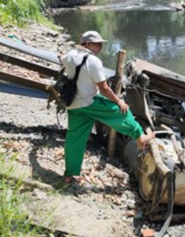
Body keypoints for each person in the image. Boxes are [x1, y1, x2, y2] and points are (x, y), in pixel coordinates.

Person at [60, 30, 154, 186]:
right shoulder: (93, 61)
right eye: (97, 44)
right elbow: (104, 88)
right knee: (122, 112)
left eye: (101, 44)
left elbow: (62, 60)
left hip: (73, 104)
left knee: (74, 139)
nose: (100, 47)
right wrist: (119, 101)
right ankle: (140, 137)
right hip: (89, 102)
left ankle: (69, 174)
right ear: (87, 44)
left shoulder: (69, 55)